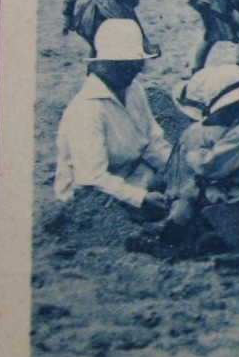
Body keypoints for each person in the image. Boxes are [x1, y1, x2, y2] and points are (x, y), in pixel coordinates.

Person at [131, 64, 239, 258]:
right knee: (204, 187)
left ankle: (170, 237)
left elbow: (208, 167)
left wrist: (195, 152)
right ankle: (184, 227)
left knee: (193, 190)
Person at [53, 18, 169, 217]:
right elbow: (92, 177)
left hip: (130, 173)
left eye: (136, 65)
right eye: (127, 66)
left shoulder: (134, 89)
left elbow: (152, 141)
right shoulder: (88, 109)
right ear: (106, 65)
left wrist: (177, 168)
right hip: (92, 196)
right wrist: (140, 198)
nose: (134, 72)